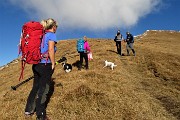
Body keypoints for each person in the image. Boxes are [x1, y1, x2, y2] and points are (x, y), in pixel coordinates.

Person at [24, 18, 58, 120]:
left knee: (35, 87)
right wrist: (52, 63)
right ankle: (41, 115)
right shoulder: (51, 35)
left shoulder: (41, 35)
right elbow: (51, 49)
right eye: (56, 27)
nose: (56, 28)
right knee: (44, 89)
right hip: (45, 65)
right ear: (53, 27)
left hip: (36, 64)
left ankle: (28, 110)